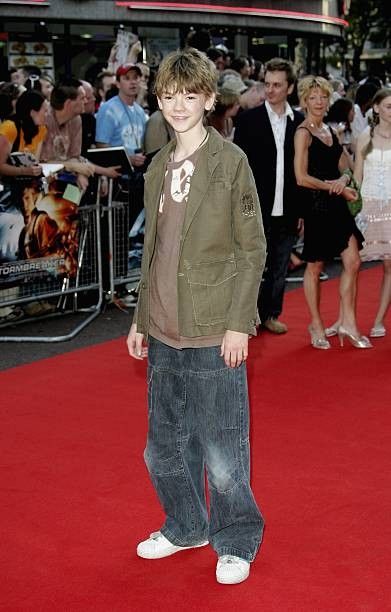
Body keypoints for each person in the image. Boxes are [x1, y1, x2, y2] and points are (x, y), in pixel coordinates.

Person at [126, 47, 266, 585]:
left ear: (209, 100)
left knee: (222, 445)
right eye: (168, 96)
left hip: (214, 326)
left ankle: (236, 539)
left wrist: (239, 321)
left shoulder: (230, 163)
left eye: (189, 95)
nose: (178, 105)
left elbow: (251, 249)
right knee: (162, 446)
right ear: (158, 100)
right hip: (162, 325)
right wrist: (140, 317)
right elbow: (155, 249)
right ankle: (186, 525)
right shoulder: (158, 164)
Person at [294, 76, 372, 349]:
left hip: (337, 204)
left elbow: (347, 166)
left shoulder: (329, 130)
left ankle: (346, 322)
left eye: (323, 97)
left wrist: (344, 181)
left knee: (353, 261)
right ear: (304, 101)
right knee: (315, 265)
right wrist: (331, 186)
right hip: (316, 205)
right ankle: (315, 324)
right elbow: (301, 177)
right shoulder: (303, 133)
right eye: (313, 97)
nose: (319, 101)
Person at [234, 58, 303, 334]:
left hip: (287, 205)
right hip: (255, 205)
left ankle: (271, 314)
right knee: (252, 265)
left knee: (279, 264)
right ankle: (246, 317)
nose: (271, 90)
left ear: (290, 87)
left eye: (277, 85)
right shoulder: (249, 120)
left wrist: (300, 211)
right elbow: (238, 166)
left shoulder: (299, 122)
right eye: (267, 84)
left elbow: (301, 170)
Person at [354, 88, 391, 338]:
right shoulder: (365, 136)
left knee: (389, 266)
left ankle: (379, 320)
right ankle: (347, 318)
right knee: (353, 264)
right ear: (376, 108)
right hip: (367, 207)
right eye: (388, 105)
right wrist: (353, 208)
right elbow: (357, 176)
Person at [95, 63, 147, 170]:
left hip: (138, 172)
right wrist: (128, 159)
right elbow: (102, 146)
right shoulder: (108, 109)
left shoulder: (140, 111)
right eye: (127, 78)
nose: (132, 82)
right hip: (116, 172)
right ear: (118, 83)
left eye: (135, 77)